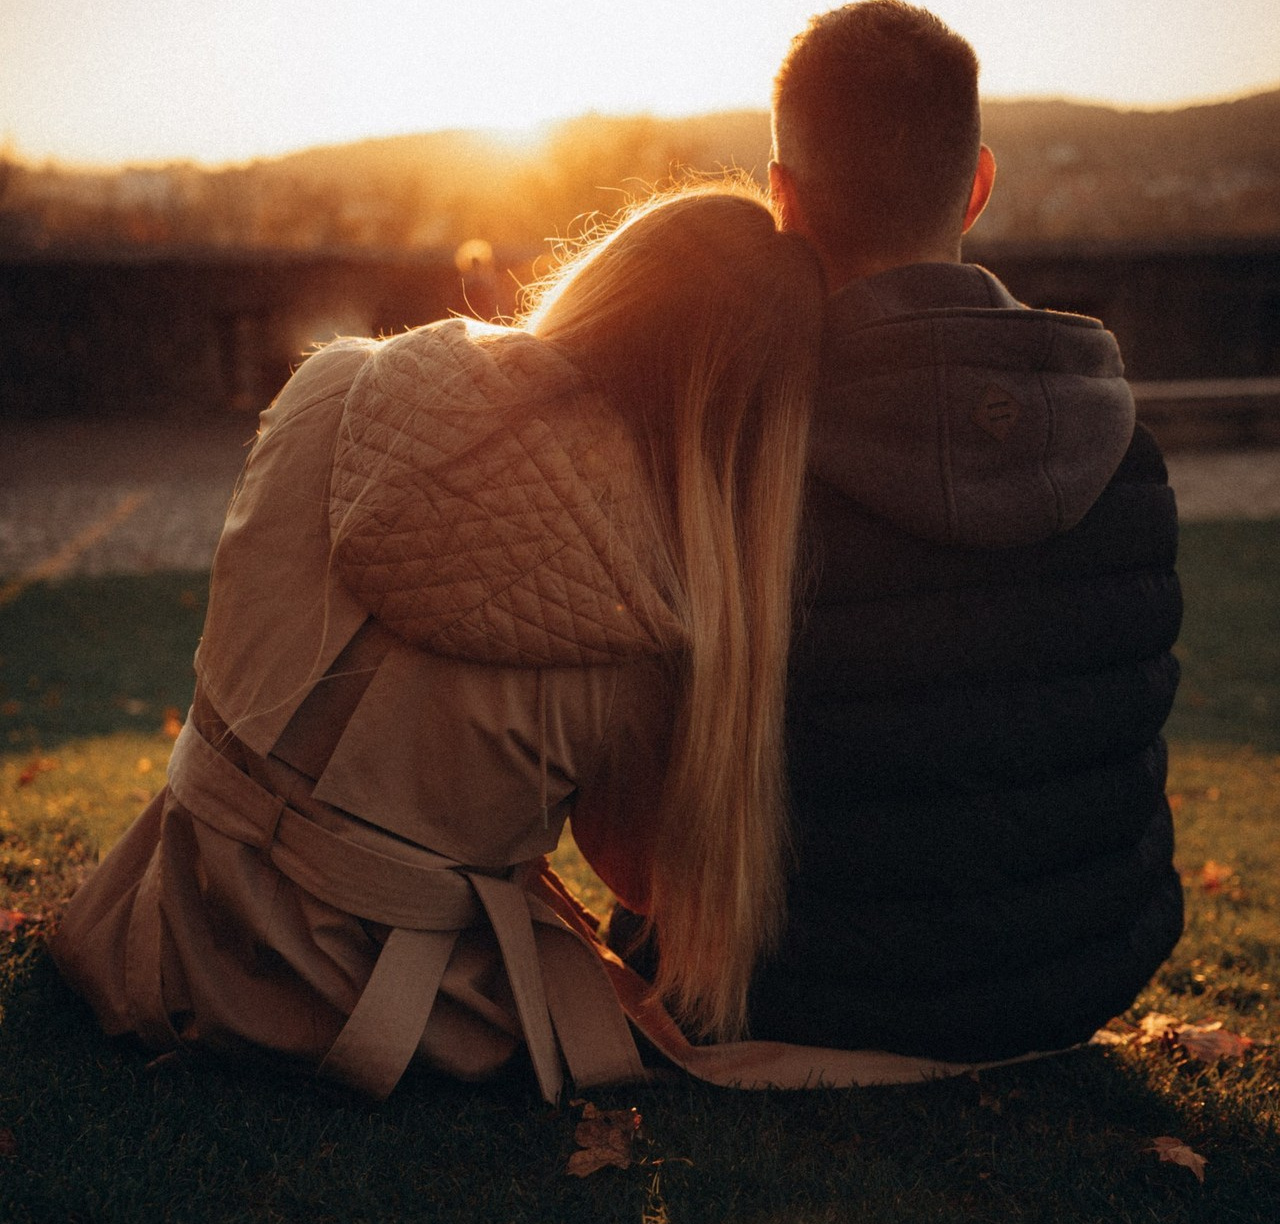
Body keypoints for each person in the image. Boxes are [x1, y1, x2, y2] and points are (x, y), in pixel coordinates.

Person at [50, 186, 826, 1101]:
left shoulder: (328, 386)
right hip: (392, 1021)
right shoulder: (653, 612)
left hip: (158, 927)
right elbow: (640, 880)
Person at [604, 1, 1183, 1064]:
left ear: (780, 197)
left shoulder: (735, 454)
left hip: (789, 1000)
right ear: (974, 184)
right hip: (1075, 978)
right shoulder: (1123, 450)